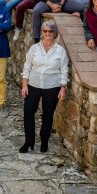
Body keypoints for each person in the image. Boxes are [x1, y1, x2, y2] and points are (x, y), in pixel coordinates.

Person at [20, 21, 68, 153]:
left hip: (52, 87)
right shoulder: (34, 48)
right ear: (41, 33)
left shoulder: (60, 51)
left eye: (50, 31)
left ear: (55, 34)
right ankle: (29, 142)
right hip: (33, 85)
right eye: (45, 31)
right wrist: (24, 85)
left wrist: (63, 88)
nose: (48, 34)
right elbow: (27, 66)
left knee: (48, 114)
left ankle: (44, 141)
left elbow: (64, 70)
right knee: (28, 113)